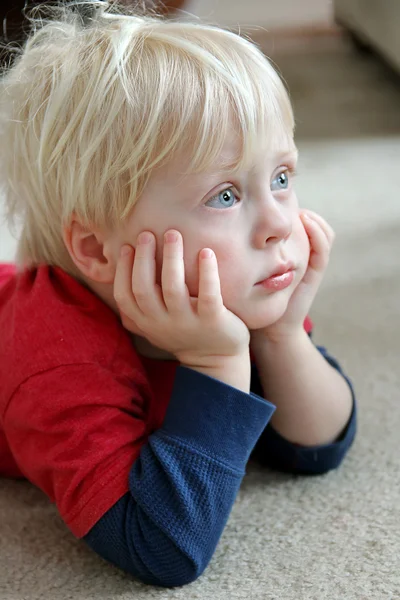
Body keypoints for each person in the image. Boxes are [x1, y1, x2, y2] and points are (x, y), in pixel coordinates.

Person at [0, 0, 357, 589]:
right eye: (224, 195)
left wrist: (282, 335)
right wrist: (216, 362)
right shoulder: (55, 356)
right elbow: (160, 546)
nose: (278, 223)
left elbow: (315, 447)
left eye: (282, 178)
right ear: (95, 249)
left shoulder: (236, 286)